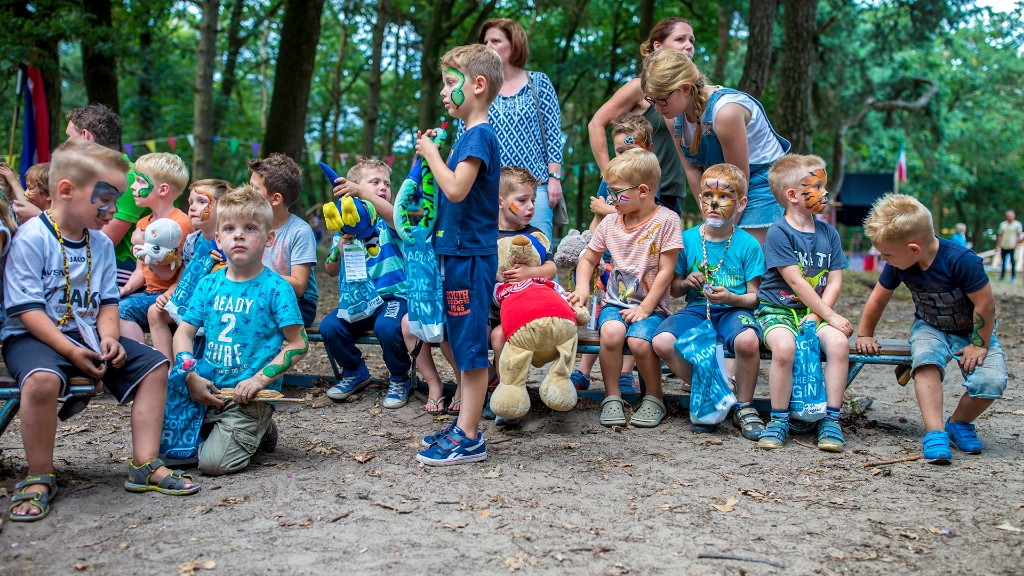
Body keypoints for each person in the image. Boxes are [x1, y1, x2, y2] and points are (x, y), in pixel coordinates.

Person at [3, 140, 198, 522]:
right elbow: (28, 313)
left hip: (88, 335)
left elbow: (107, 301)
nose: (112, 210)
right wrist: (72, 352)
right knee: (42, 381)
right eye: (105, 199)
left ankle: (145, 464)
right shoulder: (33, 238)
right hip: (32, 336)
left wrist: (109, 335)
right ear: (66, 191)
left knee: (156, 365)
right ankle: (39, 474)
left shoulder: (100, 245)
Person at [857, 194, 1006, 464]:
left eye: (887, 254)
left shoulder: (961, 261)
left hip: (972, 332)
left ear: (913, 249)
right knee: (925, 361)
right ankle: (935, 431)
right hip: (930, 327)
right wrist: (865, 334)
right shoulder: (898, 265)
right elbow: (878, 298)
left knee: (990, 382)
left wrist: (979, 344)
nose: (883, 258)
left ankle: (959, 423)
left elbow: (985, 303)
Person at [173, 186, 308, 476]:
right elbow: (182, 334)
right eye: (229, 228)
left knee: (211, 465)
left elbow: (298, 344)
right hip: (205, 388)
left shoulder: (277, 289)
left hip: (248, 398)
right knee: (168, 451)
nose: (238, 235)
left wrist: (260, 381)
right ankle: (234, 432)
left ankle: (259, 426)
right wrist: (190, 375)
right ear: (218, 237)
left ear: (268, 238)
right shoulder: (208, 284)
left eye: (249, 228)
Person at [414, 44, 503, 466]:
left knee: (469, 348)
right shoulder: (467, 137)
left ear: (478, 85)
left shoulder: (480, 135)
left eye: (451, 83)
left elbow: (456, 189)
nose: (444, 93)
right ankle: (464, 427)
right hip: (457, 255)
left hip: (471, 258)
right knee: (461, 343)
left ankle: (470, 436)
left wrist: (431, 155)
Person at [568, 148, 682, 428]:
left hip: (652, 306)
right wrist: (583, 286)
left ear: (643, 190)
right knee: (610, 332)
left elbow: (667, 271)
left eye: (617, 192)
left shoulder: (667, 220)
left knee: (640, 343)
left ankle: (654, 397)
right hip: (615, 305)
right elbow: (588, 259)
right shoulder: (610, 222)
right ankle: (612, 397)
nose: (611, 199)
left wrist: (645, 307)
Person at [320, 160, 446, 411]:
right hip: (359, 300)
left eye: (386, 184)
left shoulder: (391, 223)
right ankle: (355, 372)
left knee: (388, 327)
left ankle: (399, 377)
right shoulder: (345, 228)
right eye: (374, 182)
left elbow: (394, 215)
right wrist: (340, 249)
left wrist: (365, 194)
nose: (383, 187)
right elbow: (330, 270)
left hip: (393, 299)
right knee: (330, 327)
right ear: (352, 187)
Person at [651, 163, 765, 439]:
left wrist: (732, 298)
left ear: (741, 203)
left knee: (747, 341)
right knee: (662, 341)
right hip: (696, 310)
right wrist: (686, 282)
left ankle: (745, 406)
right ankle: (714, 389)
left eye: (724, 196)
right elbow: (675, 290)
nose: (714, 202)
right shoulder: (686, 239)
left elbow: (755, 298)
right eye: (707, 195)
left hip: (733, 311)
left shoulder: (748, 244)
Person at [754, 154, 852, 452]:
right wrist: (829, 315)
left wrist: (822, 316)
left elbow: (834, 280)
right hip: (777, 311)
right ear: (792, 195)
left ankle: (831, 419)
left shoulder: (829, 233)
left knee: (839, 344)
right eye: (817, 186)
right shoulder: (778, 232)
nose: (824, 193)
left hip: (816, 313)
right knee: (785, 349)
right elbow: (796, 281)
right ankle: (779, 418)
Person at [641, 49, 790, 244]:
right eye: (652, 101)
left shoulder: (725, 112)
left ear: (685, 88)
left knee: (743, 253)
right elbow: (692, 169)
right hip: (720, 187)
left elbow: (739, 178)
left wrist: (722, 230)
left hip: (757, 183)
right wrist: (709, 216)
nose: (657, 107)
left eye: (661, 99)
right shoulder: (673, 117)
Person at [571, 112, 655, 393]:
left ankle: (624, 373)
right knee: (601, 317)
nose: (623, 156)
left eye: (631, 149)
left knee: (629, 318)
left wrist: (608, 208)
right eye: (619, 150)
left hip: (638, 268)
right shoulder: (609, 183)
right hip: (607, 265)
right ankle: (583, 370)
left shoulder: (650, 183)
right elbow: (597, 227)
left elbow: (647, 216)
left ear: (647, 150)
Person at [588, 18, 695, 214]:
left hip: (670, 192)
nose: (688, 46)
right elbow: (596, 124)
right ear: (658, 46)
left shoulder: (690, 93)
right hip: (631, 191)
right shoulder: (639, 87)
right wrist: (609, 175)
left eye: (691, 40)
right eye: (680, 39)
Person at [472, 18, 563, 240]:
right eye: (485, 42)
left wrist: (554, 178)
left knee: (539, 252)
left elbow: (553, 134)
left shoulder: (539, 83)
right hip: (491, 189)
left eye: (496, 40)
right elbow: (467, 136)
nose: (489, 47)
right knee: (495, 259)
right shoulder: (479, 86)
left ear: (514, 44)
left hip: (535, 189)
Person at [482, 166, 558, 425]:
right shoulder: (484, 234)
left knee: (499, 336)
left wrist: (530, 271)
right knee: (473, 335)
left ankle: (509, 393)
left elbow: (551, 268)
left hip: (518, 313)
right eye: (522, 200)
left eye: (533, 201)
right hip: (486, 307)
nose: (530, 207)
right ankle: (489, 383)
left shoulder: (533, 236)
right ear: (500, 202)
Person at [147, 178, 231, 359]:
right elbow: (183, 278)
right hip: (190, 301)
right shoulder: (192, 241)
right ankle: (167, 369)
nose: (192, 207)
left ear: (224, 209)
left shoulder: (229, 242)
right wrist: (169, 294)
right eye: (191, 202)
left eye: (202, 202)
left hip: (215, 306)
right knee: (155, 312)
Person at [65, 104, 147, 289]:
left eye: (69, 137)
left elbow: (101, 243)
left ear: (85, 136)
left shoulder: (129, 177)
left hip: (120, 272)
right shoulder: (91, 177)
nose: (65, 145)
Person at [118, 153, 194, 343]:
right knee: (110, 305)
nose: (133, 187)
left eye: (140, 182)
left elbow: (168, 275)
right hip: (148, 292)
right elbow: (140, 271)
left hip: (170, 295)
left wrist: (141, 244)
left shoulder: (180, 224)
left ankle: (144, 361)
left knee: (122, 311)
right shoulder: (143, 223)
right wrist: (124, 290)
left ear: (162, 190)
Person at [248, 154, 319, 326]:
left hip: (298, 303)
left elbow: (300, 286)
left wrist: (255, 275)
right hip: (258, 296)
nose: (247, 192)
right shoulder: (248, 226)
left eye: (254, 188)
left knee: (250, 316)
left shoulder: (300, 231)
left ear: (276, 199)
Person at [996, 210, 1021, 282]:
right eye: (1008, 216)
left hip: (1012, 246)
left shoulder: (1017, 225)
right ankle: (1002, 276)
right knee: (1003, 261)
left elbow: (1019, 235)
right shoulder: (1003, 224)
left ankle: (1013, 277)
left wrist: (1016, 244)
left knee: (1013, 262)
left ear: (1014, 216)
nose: (1009, 217)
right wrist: (998, 245)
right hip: (1004, 245)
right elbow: (1000, 235)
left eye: (1010, 216)